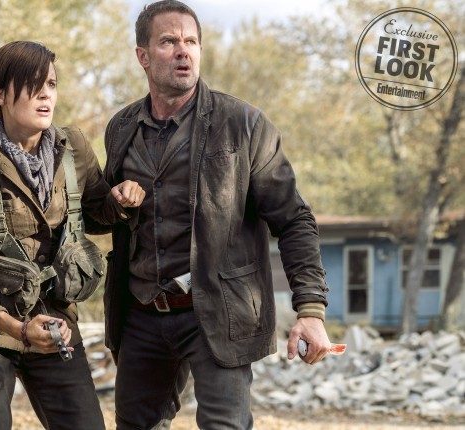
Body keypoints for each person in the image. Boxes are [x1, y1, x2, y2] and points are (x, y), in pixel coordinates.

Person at [101, 1, 332, 429]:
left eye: (191, 41)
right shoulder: (121, 128)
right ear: (143, 56)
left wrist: (311, 309)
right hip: (143, 312)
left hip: (220, 311)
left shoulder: (243, 124)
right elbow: (102, 216)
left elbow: (294, 220)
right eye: (168, 42)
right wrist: (115, 202)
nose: (183, 51)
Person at [0, 41, 144, 430]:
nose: (46, 94)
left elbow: (97, 215)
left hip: (55, 323)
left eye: (51, 84)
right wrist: (18, 329)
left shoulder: (73, 148)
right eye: (33, 86)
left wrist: (120, 201)